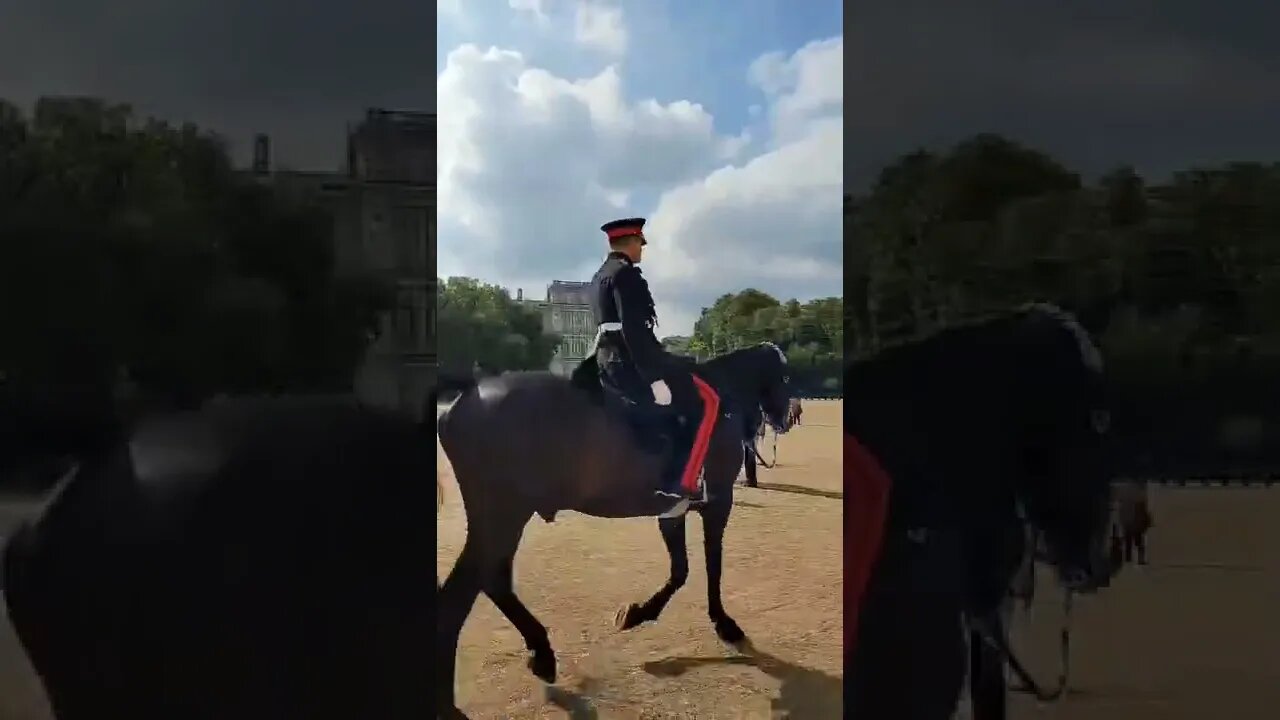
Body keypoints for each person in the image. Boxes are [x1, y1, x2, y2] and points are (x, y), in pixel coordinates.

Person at [588, 217, 718, 507]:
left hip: (607, 360)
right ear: (632, 243)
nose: (642, 250)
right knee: (698, 405)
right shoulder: (626, 275)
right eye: (640, 244)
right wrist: (654, 377)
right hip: (629, 362)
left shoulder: (599, 276)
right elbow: (633, 331)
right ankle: (675, 484)